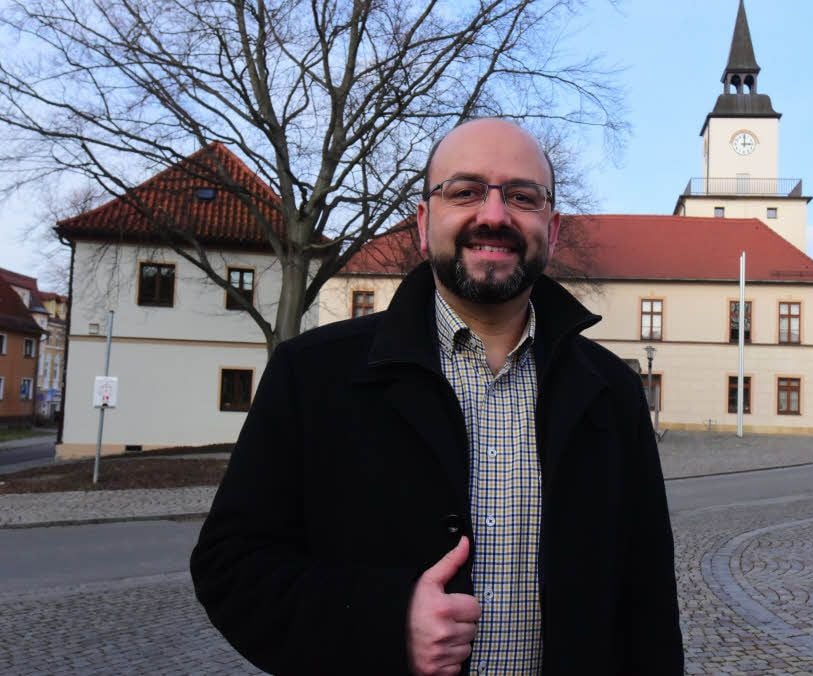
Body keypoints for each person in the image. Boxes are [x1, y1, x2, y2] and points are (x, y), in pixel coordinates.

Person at [190, 118, 684, 675]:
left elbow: (648, 601)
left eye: (522, 196)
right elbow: (231, 567)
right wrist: (385, 622)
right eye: (465, 191)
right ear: (424, 224)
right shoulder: (311, 375)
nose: (494, 215)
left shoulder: (612, 391)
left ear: (553, 229)